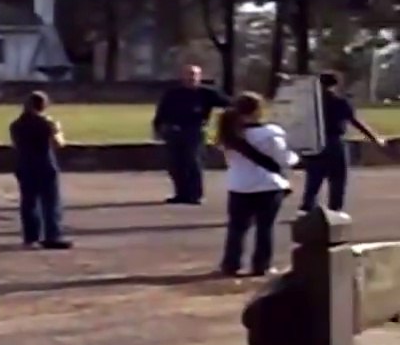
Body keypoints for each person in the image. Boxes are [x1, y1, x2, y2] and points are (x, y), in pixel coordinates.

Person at [214, 92, 298, 277]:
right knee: (265, 227)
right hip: (267, 185)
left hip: (238, 185)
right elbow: (284, 159)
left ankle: (231, 264)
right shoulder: (270, 133)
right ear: (258, 110)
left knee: (236, 228)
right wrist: (295, 157)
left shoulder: (229, 134)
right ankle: (261, 265)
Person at [299, 71, 387, 213]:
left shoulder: (310, 104)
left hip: (315, 142)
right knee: (338, 178)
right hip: (334, 141)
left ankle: (307, 207)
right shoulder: (339, 101)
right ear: (335, 84)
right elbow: (355, 121)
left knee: (314, 178)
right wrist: (374, 137)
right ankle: (335, 208)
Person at [152, 64, 230, 205]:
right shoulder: (172, 94)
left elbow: (229, 103)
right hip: (173, 131)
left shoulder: (207, 93)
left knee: (192, 162)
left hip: (194, 131)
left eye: (194, 75)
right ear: (182, 76)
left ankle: (196, 195)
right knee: (175, 164)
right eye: (188, 74)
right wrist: (157, 129)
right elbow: (161, 112)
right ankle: (180, 194)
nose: (191, 78)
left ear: (200, 77)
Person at [9, 92, 72, 250]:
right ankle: (52, 236)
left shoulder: (16, 124)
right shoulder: (46, 123)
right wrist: (57, 129)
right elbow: (59, 143)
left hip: (24, 164)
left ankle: (30, 237)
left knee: (28, 202)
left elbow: (16, 144)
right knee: (50, 202)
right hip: (45, 164)